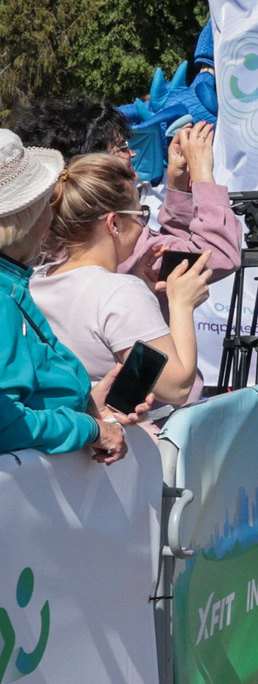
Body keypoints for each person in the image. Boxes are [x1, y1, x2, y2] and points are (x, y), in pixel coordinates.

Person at [30, 154, 210, 412]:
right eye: (140, 214)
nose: (141, 227)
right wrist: (182, 304)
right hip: (115, 442)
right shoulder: (121, 292)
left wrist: (138, 288)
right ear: (113, 223)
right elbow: (176, 388)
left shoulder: (35, 280)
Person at [0, 129, 126, 465]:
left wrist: (83, 400)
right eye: (46, 204)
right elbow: (7, 424)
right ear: (23, 220)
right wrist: (90, 429)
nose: (52, 217)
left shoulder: (11, 283)